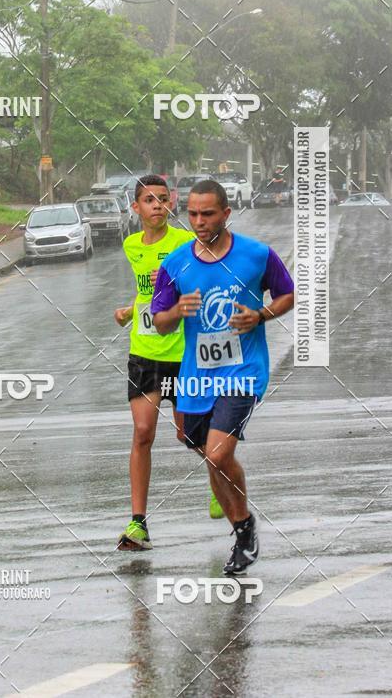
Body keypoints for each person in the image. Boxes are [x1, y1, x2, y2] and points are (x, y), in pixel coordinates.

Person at [151, 179, 294, 574]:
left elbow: (287, 293)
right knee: (210, 458)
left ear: (226, 213)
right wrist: (176, 310)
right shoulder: (175, 263)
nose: (198, 221)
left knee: (218, 454)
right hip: (197, 377)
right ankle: (242, 528)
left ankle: (244, 530)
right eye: (193, 213)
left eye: (207, 213)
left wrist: (261, 314)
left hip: (243, 372)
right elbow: (160, 324)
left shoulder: (256, 255)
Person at [114, 174, 223, 552]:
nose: (157, 205)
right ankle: (138, 522)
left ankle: (220, 477)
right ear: (136, 208)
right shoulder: (131, 246)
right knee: (143, 432)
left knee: (187, 434)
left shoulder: (184, 242)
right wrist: (132, 310)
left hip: (182, 355)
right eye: (148, 200)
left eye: (162, 199)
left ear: (170, 204)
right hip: (144, 353)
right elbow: (150, 291)